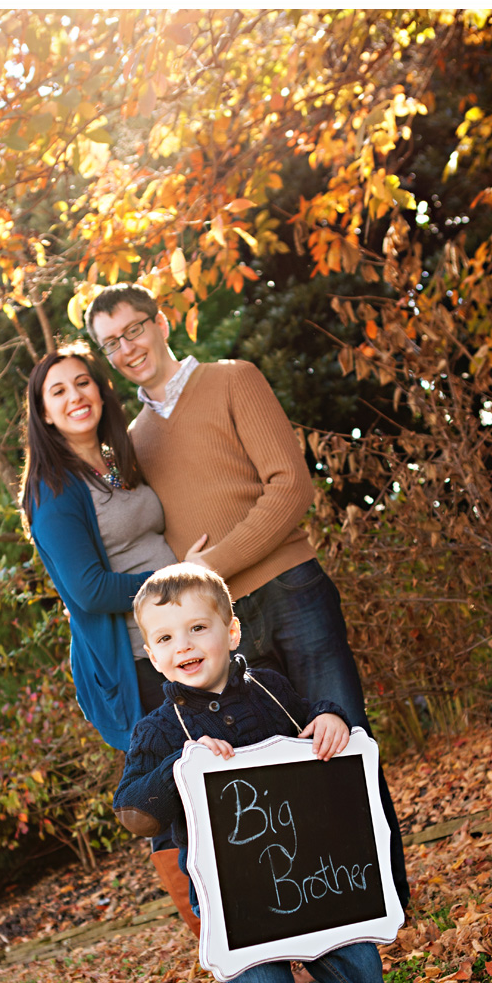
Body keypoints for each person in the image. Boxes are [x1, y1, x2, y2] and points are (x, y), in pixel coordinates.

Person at [86, 284, 410, 910]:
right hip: (218, 629)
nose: (127, 348)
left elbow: (289, 489)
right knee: (268, 776)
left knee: (342, 741)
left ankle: (387, 901)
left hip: (290, 588)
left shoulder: (233, 379)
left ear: (162, 322)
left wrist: (208, 566)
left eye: (134, 330)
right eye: (111, 343)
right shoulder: (133, 439)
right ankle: (319, 909)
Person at [113, 564, 435, 983]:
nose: (183, 646)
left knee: (360, 968)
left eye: (197, 628)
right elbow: (133, 811)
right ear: (152, 655)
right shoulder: (159, 731)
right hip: (243, 903)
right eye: (164, 639)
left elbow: (318, 709)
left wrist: (333, 718)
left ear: (232, 631)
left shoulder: (271, 689)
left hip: (318, 879)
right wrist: (179, 765)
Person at [19, 341, 205, 749]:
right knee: (190, 795)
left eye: (83, 382)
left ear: (101, 391)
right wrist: (180, 579)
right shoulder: (53, 490)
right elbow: (90, 590)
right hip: (144, 663)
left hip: (187, 644)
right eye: (59, 391)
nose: (76, 396)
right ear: (45, 415)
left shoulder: (113, 461)